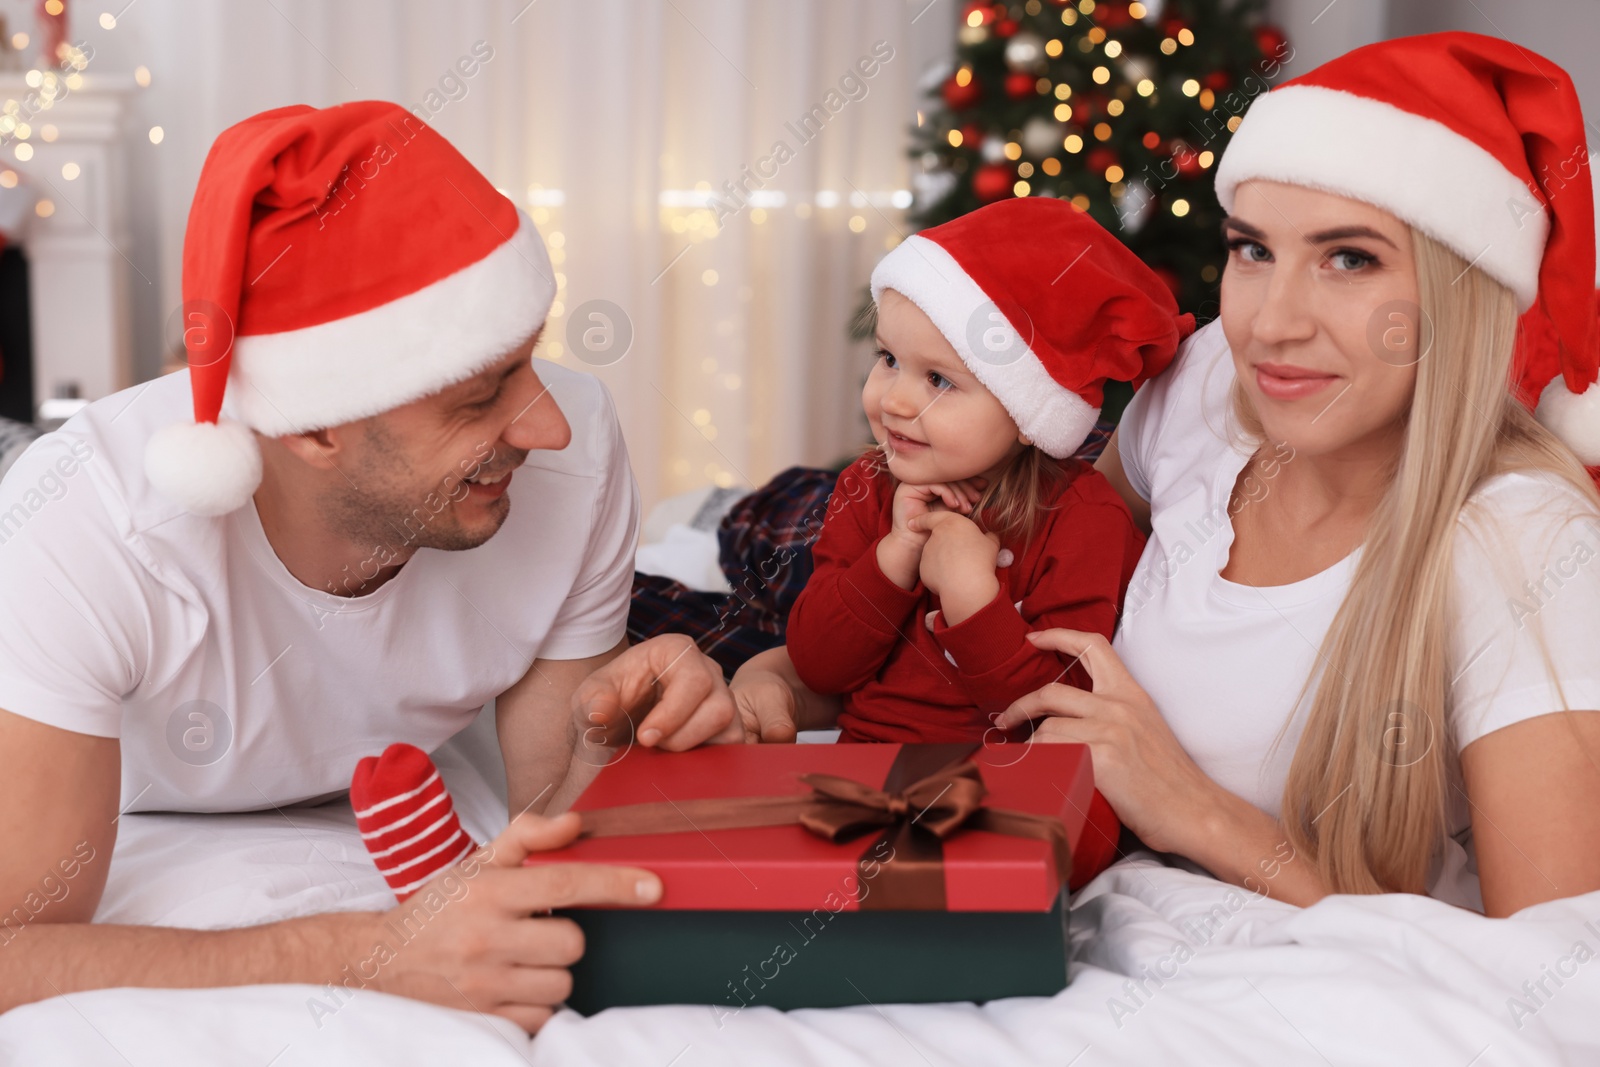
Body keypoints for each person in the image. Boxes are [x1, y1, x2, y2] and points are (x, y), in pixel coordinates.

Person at [743, 32, 1600, 919]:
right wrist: (775, 677)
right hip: (1073, 920)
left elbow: (1551, 974)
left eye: (1350, 258)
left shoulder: (1525, 543)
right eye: (1253, 250)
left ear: (1459, 295)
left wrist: (1193, 808)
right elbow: (1033, 583)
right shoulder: (1207, 386)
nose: (1272, 323)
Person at [0, 101, 743, 1032]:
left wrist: (612, 739)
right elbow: (12, 949)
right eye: (480, 397)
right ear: (313, 425)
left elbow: (547, 817)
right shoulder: (86, 521)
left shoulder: (577, 453)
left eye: (528, 363)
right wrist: (373, 952)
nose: (547, 426)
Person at [782, 199, 1185, 762]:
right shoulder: (867, 486)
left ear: (1026, 413)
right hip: (864, 767)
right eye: (888, 359)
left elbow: (1059, 713)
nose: (895, 399)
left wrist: (972, 596)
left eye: (939, 381)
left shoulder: (1084, 518)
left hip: (1012, 777)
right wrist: (892, 557)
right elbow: (817, 666)